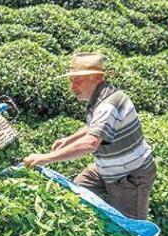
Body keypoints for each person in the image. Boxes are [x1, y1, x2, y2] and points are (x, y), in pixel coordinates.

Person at [23, 53, 157, 220]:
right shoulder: (101, 97)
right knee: (77, 190)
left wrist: (46, 158)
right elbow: (95, 126)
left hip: (130, 176)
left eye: (77, 81)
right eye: (71, 81)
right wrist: (69, 139)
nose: (72, 88)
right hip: (105, 168)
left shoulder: (108, 104)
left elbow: (91, 143)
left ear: (96, 78)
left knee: (131, 227)